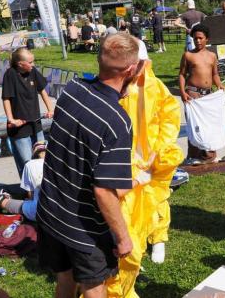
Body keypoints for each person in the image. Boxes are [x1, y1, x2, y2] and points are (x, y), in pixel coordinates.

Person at [36, 33, 137, 298]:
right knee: (94, 286)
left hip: (51, 210)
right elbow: (104, 190)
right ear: (131, 69)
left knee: (65, 279)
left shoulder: (73, 89)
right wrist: (123, 237)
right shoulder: (117, 121)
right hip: (83, 228)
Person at [107, 40, 184, 297]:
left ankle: (159, 239)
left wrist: (156, 156)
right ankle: (127, 263)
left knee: (159, 203)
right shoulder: (118, 89)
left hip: (152, 163)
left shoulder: (157, 88)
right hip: (128, 167)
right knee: (129, 214)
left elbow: (169, 121)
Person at [2, 48, 53, 177]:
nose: (33, 64)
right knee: (28, 162)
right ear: (20, 64)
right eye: (30, 62)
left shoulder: (33, 72)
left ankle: (42, 190)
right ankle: (28, 192)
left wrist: (50, 109)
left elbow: (42, 91)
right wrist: (11, 119)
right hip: (20, 127)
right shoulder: (10, 75)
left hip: (35, 124)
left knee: (42, 159)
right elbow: (6, 98)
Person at [179, 24, 225, 164]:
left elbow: (215, 74)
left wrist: (219, 84)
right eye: (195, 38)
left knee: (209, 125)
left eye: (200, 38)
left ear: (207, 39)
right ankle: (193, 156)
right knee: (195, 126)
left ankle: (210, 155)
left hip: (208, 95)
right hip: (193, 94)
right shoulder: (188, 55)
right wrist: (182, 92)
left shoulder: (212, 56)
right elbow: (181, 74)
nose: (197, 41)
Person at [0, 141, 46, 221]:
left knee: (0, 200)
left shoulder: (30, 165)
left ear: (34, 153)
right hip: (61, 213)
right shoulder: (60, 164)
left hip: (38, 212)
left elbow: (30, 194)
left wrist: (28, 203)